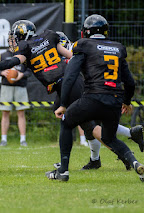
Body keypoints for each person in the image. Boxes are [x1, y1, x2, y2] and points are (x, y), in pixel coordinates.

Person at [0, 20, 144, 172]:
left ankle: (115, 154)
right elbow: (70, 55)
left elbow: (13, 62)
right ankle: (107, 151)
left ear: (23, 35)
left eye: (15, 36)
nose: (14, 40)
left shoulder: (26, 47)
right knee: (80, 121)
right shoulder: (49, 36)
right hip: (66, 84)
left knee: (88, 125)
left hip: (67, 84)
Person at [48, 14, 144, 181]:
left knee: (66, 121)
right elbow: (129, 82)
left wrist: (63, 104)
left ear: (86, 32)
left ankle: (63, 171)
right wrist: (127, 102)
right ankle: (135, 163)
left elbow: (70, 76)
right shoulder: (118, 48)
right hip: (114, 101)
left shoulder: (83, 44)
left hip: (93, 98)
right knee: (110, 138)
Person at [0, 33, 31, 147]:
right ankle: (4, 139)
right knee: (5, 113)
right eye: (10, 41)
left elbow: (29, 70)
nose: (12, 43)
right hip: (6, 86)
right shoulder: (3, 55)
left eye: (14, 41)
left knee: (21, 113)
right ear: (8, 42)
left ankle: (23, 139)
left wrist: (21, 75)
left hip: (20, 86)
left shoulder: (23, 55)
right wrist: (2, 72)